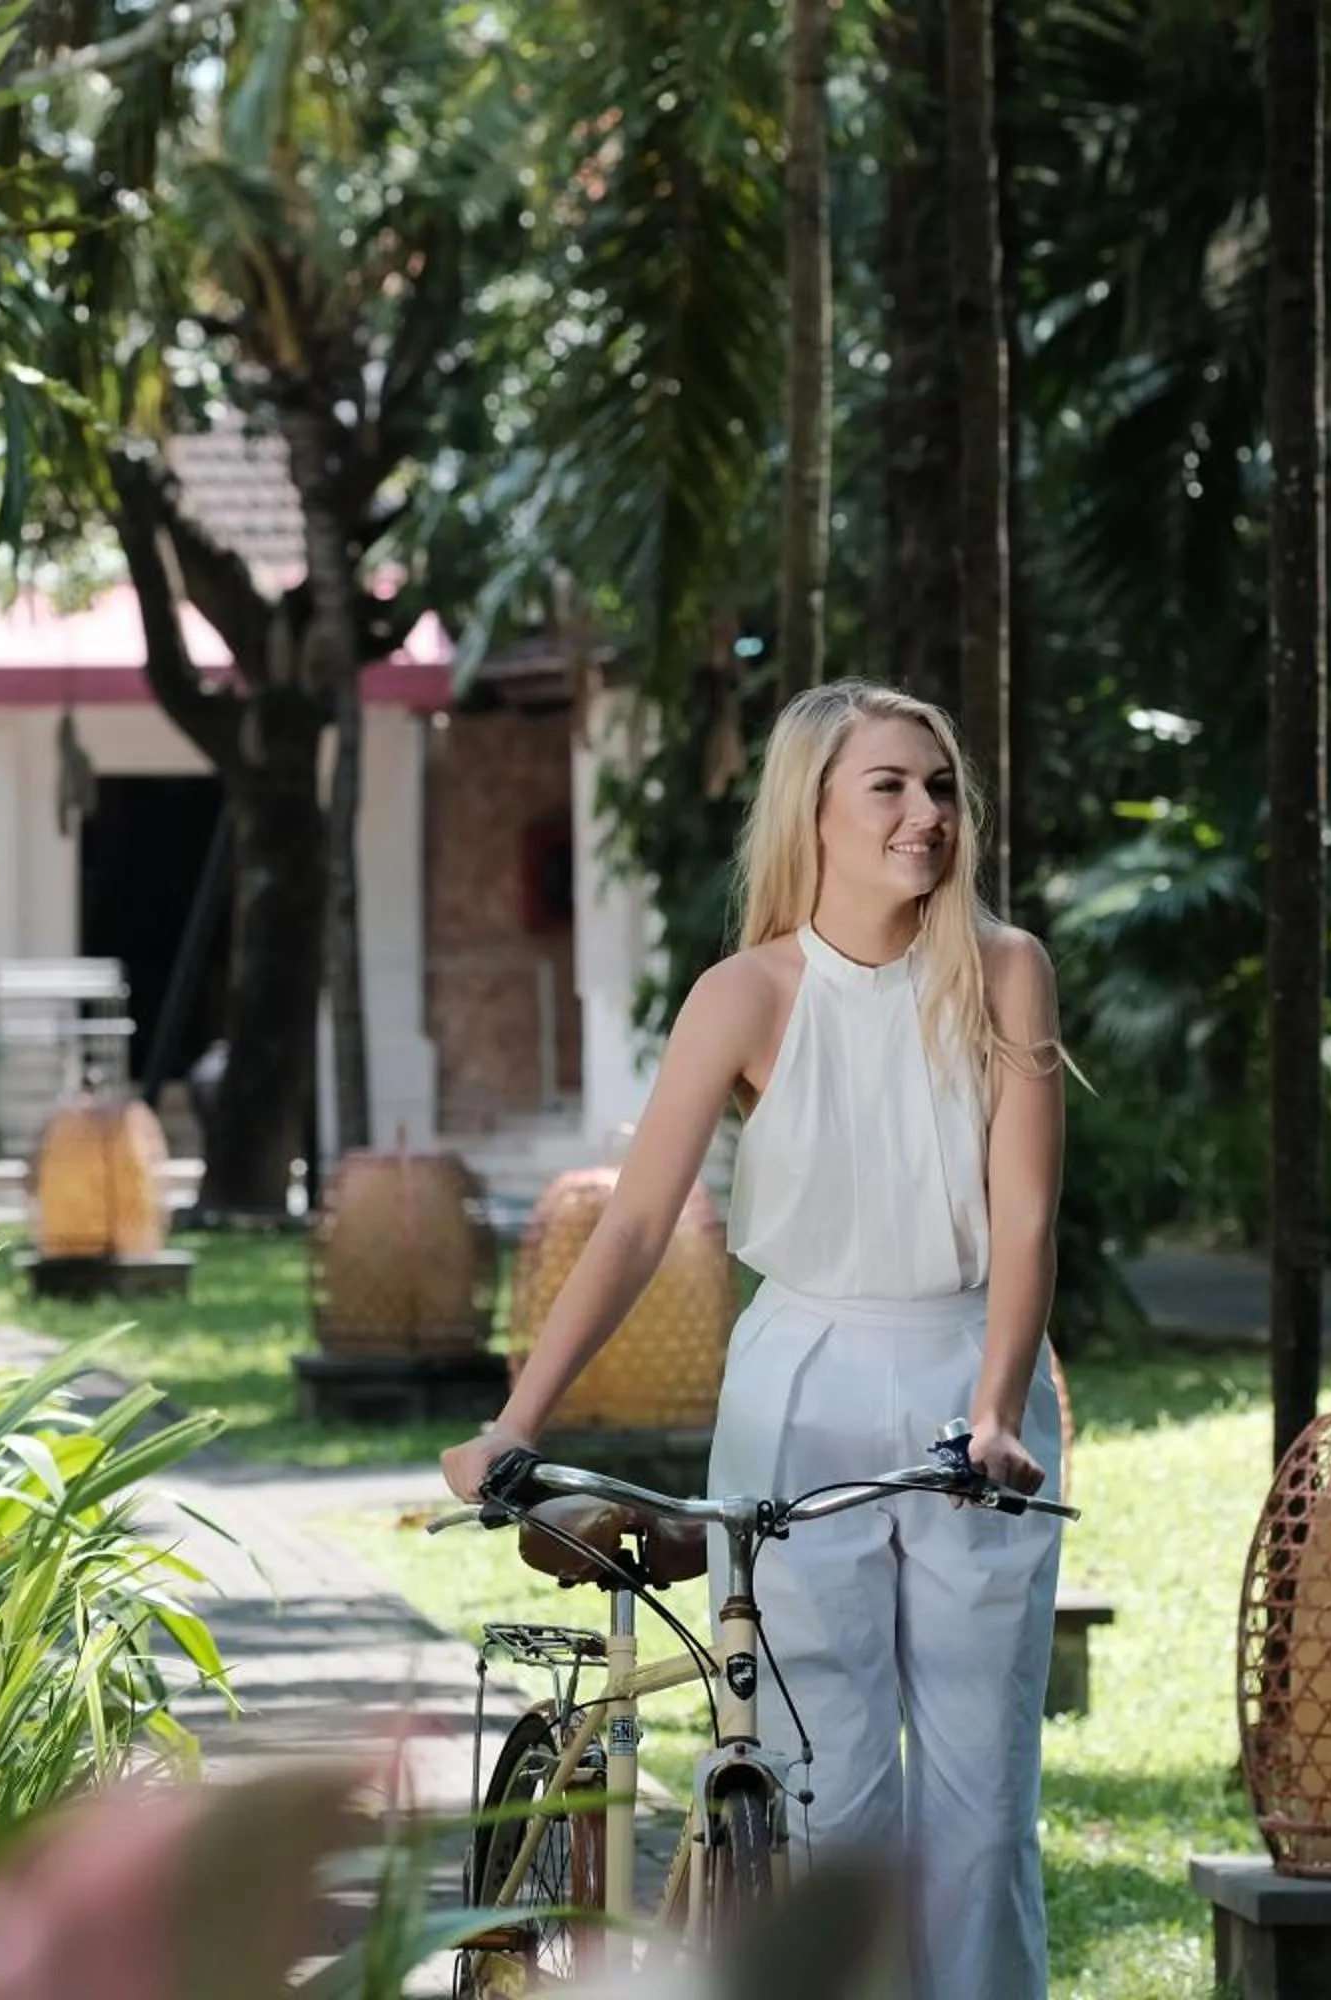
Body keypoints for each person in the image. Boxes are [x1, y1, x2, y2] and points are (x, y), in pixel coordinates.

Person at [440, 679, 1069, 2000]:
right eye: (889, 787)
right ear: (819, 817)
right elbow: (632, 1228)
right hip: (800, 1382)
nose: (925, 813)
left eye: (941, 785)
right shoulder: (747, 995)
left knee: (980, 1821)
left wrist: (998, 1408)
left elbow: (1024, 1222)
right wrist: (518, 1423)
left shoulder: (1005, 972)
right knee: (827, 1808)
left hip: (973, 1385)